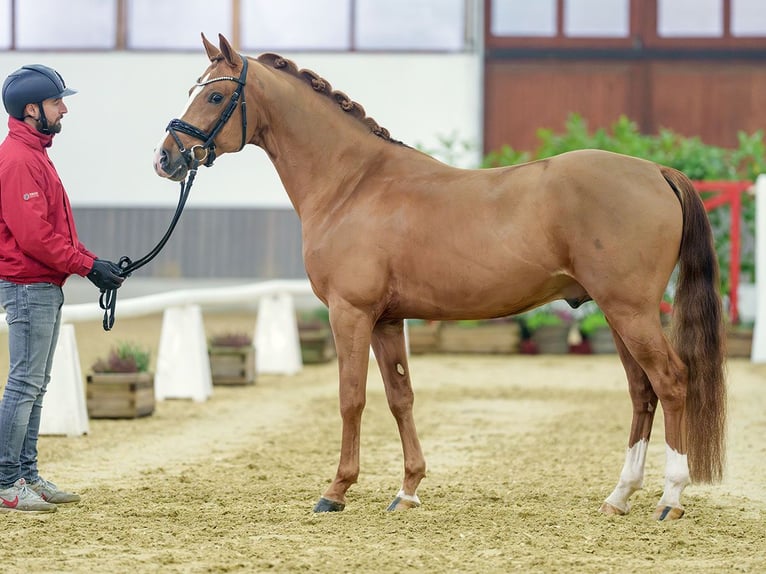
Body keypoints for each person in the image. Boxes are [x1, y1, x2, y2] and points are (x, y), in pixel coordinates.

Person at [0, 64, 124, 513]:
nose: (64, 109)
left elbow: (54, 229)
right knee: (24, 383)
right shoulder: (17, 160)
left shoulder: (34, 154)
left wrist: (93, 261)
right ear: (32, 110)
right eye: (57, 103)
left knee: (36, 382)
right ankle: (5, 480)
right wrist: (87, 266)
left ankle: (26, 473)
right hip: (28, 285)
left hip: (42, 284)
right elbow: (33, 237)